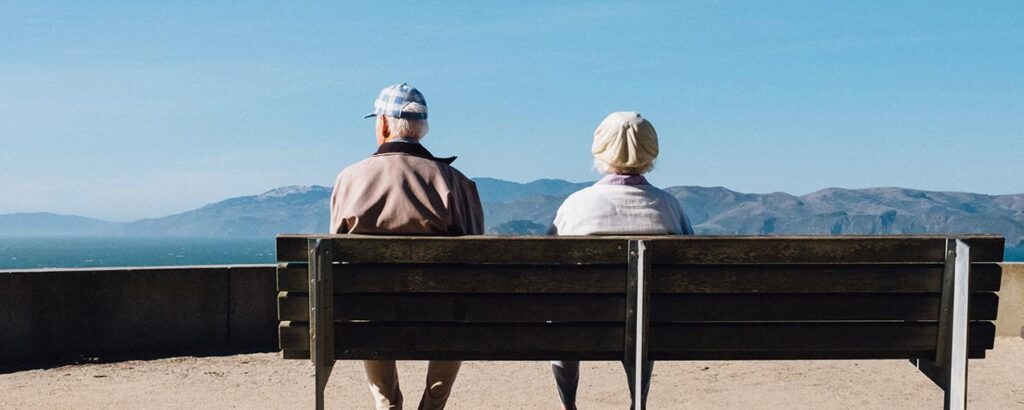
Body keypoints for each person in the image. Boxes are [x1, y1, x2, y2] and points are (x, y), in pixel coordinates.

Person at [330, 83, 484, 409]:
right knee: (459, 307)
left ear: (384, 124)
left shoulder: (349, 180)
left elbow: (335, 266)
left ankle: (387, 403)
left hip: (372, 317)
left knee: (365, 304)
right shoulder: (455, 182)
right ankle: (433, 404)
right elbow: (477, 263)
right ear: (421, 129)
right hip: (440, 317)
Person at [548, 112, 693, 410]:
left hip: (581, 325)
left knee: (561, 313)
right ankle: (636, 403)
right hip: (653, 327)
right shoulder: (669, 207)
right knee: (643, 314)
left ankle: (569, 406)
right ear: (651, 152)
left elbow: (546, 268)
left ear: (599, 151)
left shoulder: (576, 205)